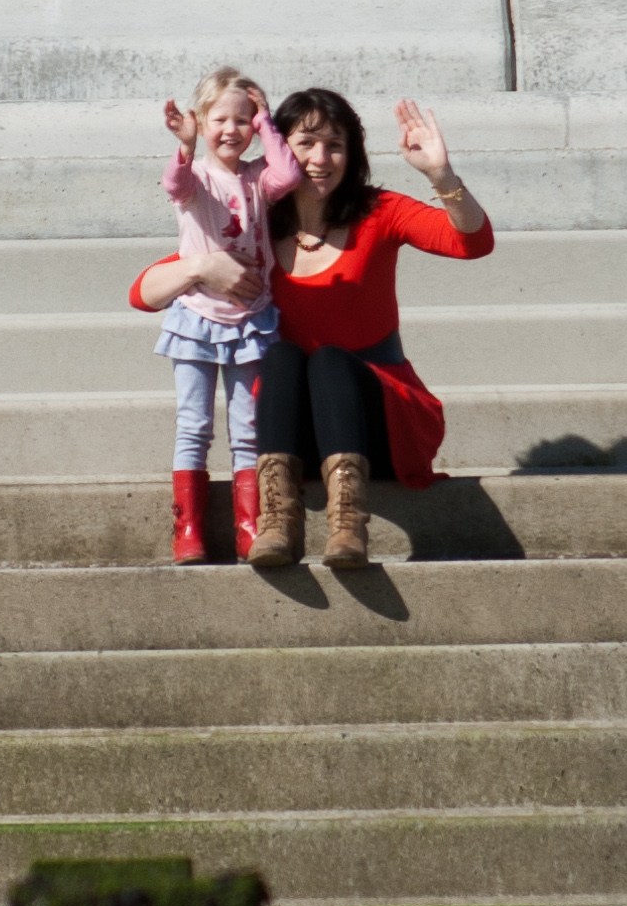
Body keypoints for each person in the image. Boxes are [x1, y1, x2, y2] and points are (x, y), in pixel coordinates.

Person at [252, 87, 494, 572]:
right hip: (296, 427)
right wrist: (200, 268)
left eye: (335, 145)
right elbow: (142, 293)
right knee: (280, 358)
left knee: (329, 360)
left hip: (383, 422)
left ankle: (348, 525)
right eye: (306, 143)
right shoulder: (254, 223)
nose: (321, 159)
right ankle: (276, 520)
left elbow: (472, 242)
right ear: (279, 148)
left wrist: (440, 175)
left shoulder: (379, 211)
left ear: (353, 155)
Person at [151, 69, 302, 566]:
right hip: (197, 317)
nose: (231, 130)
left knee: (248, 429)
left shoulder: (258, 177)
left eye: (242, 120)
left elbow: (289, 177)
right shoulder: (195, 178)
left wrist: (267, 123)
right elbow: (174, 183)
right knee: (194, 425)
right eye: (220, 119)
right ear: (201, 121)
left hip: (250, 320)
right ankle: (188, 529)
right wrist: (186, 144)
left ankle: (249, 525)